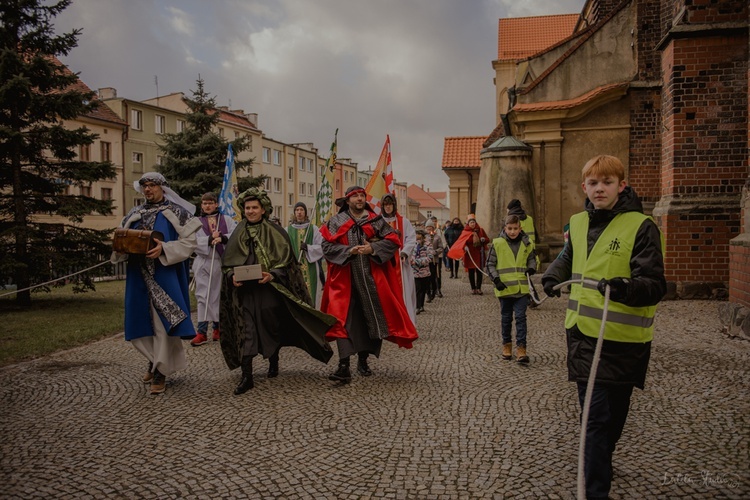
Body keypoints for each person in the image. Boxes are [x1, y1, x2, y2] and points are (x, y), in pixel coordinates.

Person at [541, 155, 666, 498]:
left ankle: (602, 457)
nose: (599, 189)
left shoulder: (642, 227)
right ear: (584, 187)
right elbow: (570, 257)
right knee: (593, 418)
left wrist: (627, 288)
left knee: (613, 419)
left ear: (621, 186)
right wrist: (553, 274)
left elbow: (655, 284)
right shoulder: (578, 223)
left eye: (607, 182)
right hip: (583, 337)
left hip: (624, 342)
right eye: (593, 183)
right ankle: (595, 490)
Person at [219, 188, 340, 395]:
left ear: (263, 209)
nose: (250, 211)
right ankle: (247, 376)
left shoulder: (275, 231)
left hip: (269, 290)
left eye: (254, 207)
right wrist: (232, 276)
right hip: (245, 293)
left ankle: (273, 359)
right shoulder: (238, 231)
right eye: (247, 208)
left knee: (270, 326)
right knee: (246, 330)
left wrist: (273, 274)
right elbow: (228, 263)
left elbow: (287, 261)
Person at [111, 172, 202, 395]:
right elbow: (122, 241)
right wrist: (121, 248)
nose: (148, 189)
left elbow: (189, 243)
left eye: (152, 185)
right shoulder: (135, 213)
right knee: (140, 323)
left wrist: (164, 248)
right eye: (144, 186)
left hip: (164, 276)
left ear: (163, 187)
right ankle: (153, 361)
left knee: (163, 324)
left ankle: (160, 371)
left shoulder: (177, 212)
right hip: (138, 276)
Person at [320, 186, 418, 383]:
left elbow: (393, 241)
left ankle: (363, 360)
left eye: (362, 196)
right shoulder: (336, 221)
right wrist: (349, 251)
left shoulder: (376, 221)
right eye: (355, 196)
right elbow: (327, 246)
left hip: (372, 280)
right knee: (342, 320)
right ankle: (343, 365)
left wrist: (372, 248)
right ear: (347, 201)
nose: (359, 198)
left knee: (370, 318)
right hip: (344, 282)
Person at [485, 214, 537, 363]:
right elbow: (490, 264)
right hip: (505, 289)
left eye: (515, 228)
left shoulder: (527, 243)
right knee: (506, 319)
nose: (513, 231)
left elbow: (532, 258)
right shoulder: (498, 243)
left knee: (521, 318)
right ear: (505, 228)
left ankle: (522, 348)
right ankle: (506, 345)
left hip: (521, 289)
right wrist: (496, 279)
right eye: (510, 228)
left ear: (520, 228)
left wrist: (531, 268)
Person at [190, 192, 236, 347]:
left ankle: (217, 328)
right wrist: (209, 239)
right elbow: (191, 241)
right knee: (202, 296)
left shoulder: (226, 220)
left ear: (216, 204)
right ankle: (201, 332)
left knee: (216, 295)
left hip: (218, 262)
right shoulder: (196, 222)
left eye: (210, 203)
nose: (207, 206)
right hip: (203, 261)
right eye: (204, 203)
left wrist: (223, 238)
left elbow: (235, 235)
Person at [381, 193, 417, 323]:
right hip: (383, 263)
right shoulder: (378, 222)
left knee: (404, 292)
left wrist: (405, 252)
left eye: (390, 204)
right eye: (385, 205)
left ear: (394, 205)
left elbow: (411, 239)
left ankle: (405, 321)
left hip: (400, 263)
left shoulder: (404, 222)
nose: (388, 207)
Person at [285, 201, 325, 308]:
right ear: (294, 213)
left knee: (311, 292)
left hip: (310, 266)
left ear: (305, 213)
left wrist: (308, 248)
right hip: (294, 267)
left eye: (301, 210)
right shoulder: (288, 230)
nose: (299, 212)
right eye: (297, 210)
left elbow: (322, 246)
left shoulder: (313, 229)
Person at [447, 214, 489, 295]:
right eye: (471, 223)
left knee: (479, 272)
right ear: (468, 224)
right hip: (470, 254)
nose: (472, 224)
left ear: (475, 223)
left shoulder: (480, 230)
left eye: (473, 222)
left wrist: (484, 239)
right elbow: (462, 241)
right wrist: (465, 246)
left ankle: (479, 288)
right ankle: (473, 288)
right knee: (471, 272)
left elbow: (487, 239)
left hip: (479, 253)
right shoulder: (465, 232)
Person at [411, 229, 433, 315]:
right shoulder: (413, 244)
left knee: (423, 289)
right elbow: (411, 254)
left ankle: (421, 305)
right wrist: (411, 261)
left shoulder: (428, 245)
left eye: (418, 234)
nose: (417, 236)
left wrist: (418, 261)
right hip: (415, 271)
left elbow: (430, 257)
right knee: (417, 289)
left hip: (424, 271)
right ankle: (417, 306)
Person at [424, 219, 443, 301]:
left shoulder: (437, 237)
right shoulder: (424, 237)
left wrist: (435, 252)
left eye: (430, 228)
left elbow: (441, 248)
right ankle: (428, 293)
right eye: (427, 228)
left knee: (434, 276)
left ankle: (435, 290)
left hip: (434, 260)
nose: (429, 230)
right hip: (426, 260)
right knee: (426, 278)